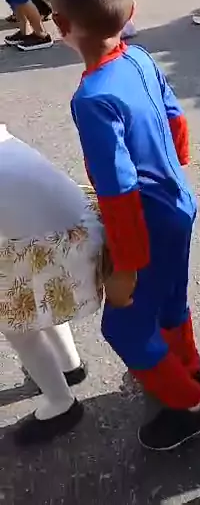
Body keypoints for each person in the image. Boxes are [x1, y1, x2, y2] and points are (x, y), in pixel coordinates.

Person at [46, 0, 200, 451]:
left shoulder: (92, 98)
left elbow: (119, 190)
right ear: (131, 12)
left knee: (123, 326)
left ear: (61, 23)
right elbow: (175, 118)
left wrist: (125, 267)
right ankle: (189, 366)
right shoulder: (141, 58)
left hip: (146, 222)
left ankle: (192, 405)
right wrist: (174, 166)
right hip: (176, 205)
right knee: (170, 300)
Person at [0, 124, 103, 445]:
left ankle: (61, 404)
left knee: (15, 321)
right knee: (30, 289)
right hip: (73, 225)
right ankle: (69, 365)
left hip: (61, 244)